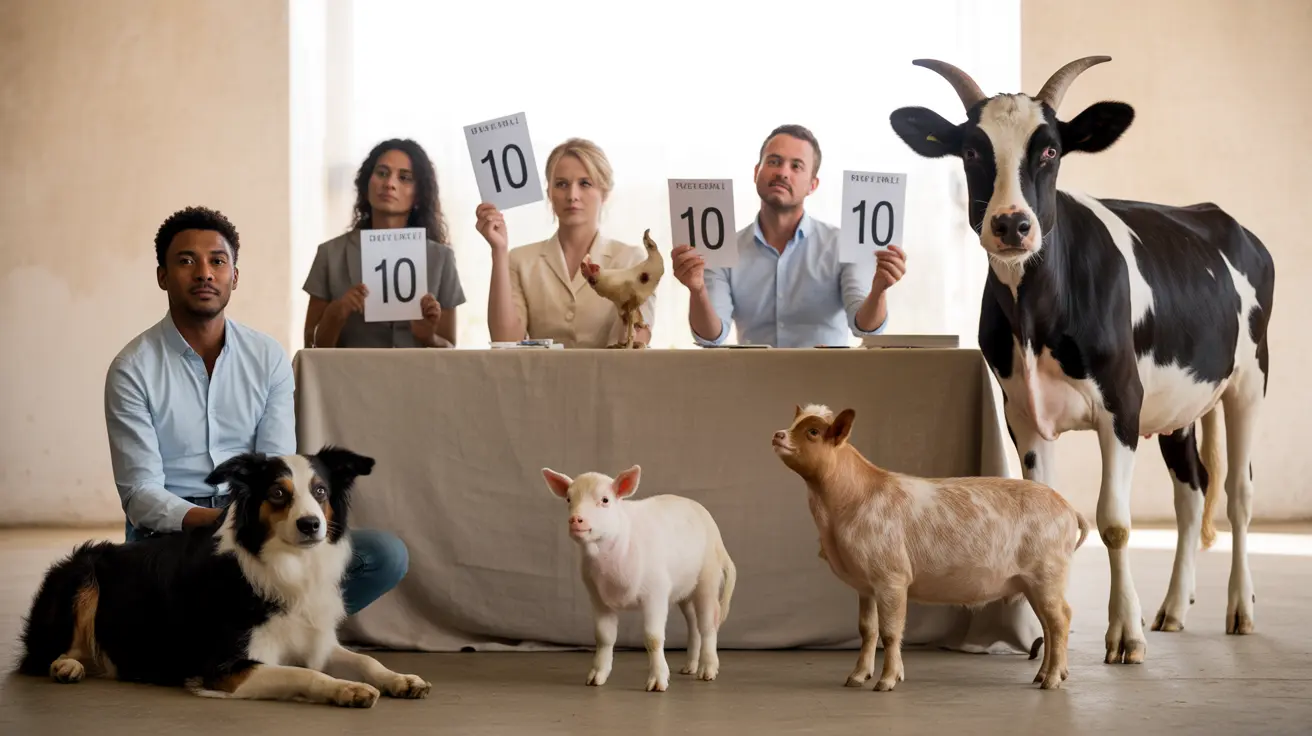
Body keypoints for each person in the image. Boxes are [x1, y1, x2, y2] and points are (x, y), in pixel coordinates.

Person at [104, 205, 409, 616]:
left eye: (217, 261)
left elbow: (276, 465)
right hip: (169, 533)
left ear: (234, 276)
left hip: (254, 519)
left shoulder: (265, 356)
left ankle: (266, 629)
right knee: (187, 583)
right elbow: (140, 495)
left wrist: (250, 524)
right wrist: (217, 523)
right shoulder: (132, 368)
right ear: (162, 276)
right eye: (186, 261)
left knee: (385, 556)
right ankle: (254, 628)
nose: (204, 273)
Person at [671, 124, 909, 348]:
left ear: (812, 185)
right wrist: (698, 290)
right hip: (752, 385)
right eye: (774, 161)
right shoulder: (723, 248)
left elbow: (865, 329)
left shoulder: (840, 245)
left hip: (828, 385)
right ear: (756, 172)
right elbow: (711, 337)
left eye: (796, 166)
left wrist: (879, 290)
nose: (783, 172)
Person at [475, 137, 657, 348]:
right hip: (538, 380)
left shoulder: (633, 260)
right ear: (549, 193)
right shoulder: (519, 260)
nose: (572, 195)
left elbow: (632, 346)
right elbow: (505, 341)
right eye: (561, 184)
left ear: (604, 193)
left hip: (608, 379)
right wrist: (499, 250)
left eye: (585, 184)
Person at [303, 138, 466, 348]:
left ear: (418, 195)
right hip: (349, 378)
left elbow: (451, 350)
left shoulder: (441, 258)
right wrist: (337, 313)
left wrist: (428, 337)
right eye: (382, 173)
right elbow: (310, 345)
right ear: (366, 183)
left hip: (420, 378)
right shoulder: (330, 254)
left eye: (404, 178)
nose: (389, 184)